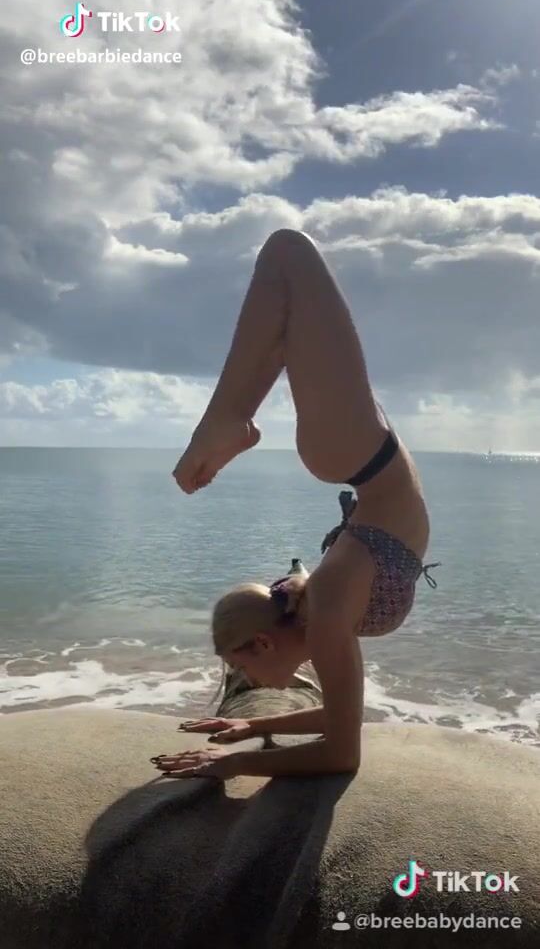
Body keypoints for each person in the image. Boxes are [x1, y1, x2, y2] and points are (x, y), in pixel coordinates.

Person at [151, 229, 438, 781]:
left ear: (262, 642)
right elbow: (342, 723)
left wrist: (232, 764)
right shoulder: (323, 613)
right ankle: (229, 419)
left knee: (288, 255)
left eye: (241, 668)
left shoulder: (325, 613)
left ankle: (225, 421)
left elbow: (341, 754)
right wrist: (251, 727)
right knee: (285, 325)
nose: (249, 682)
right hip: (368, 460)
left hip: (362, 457)